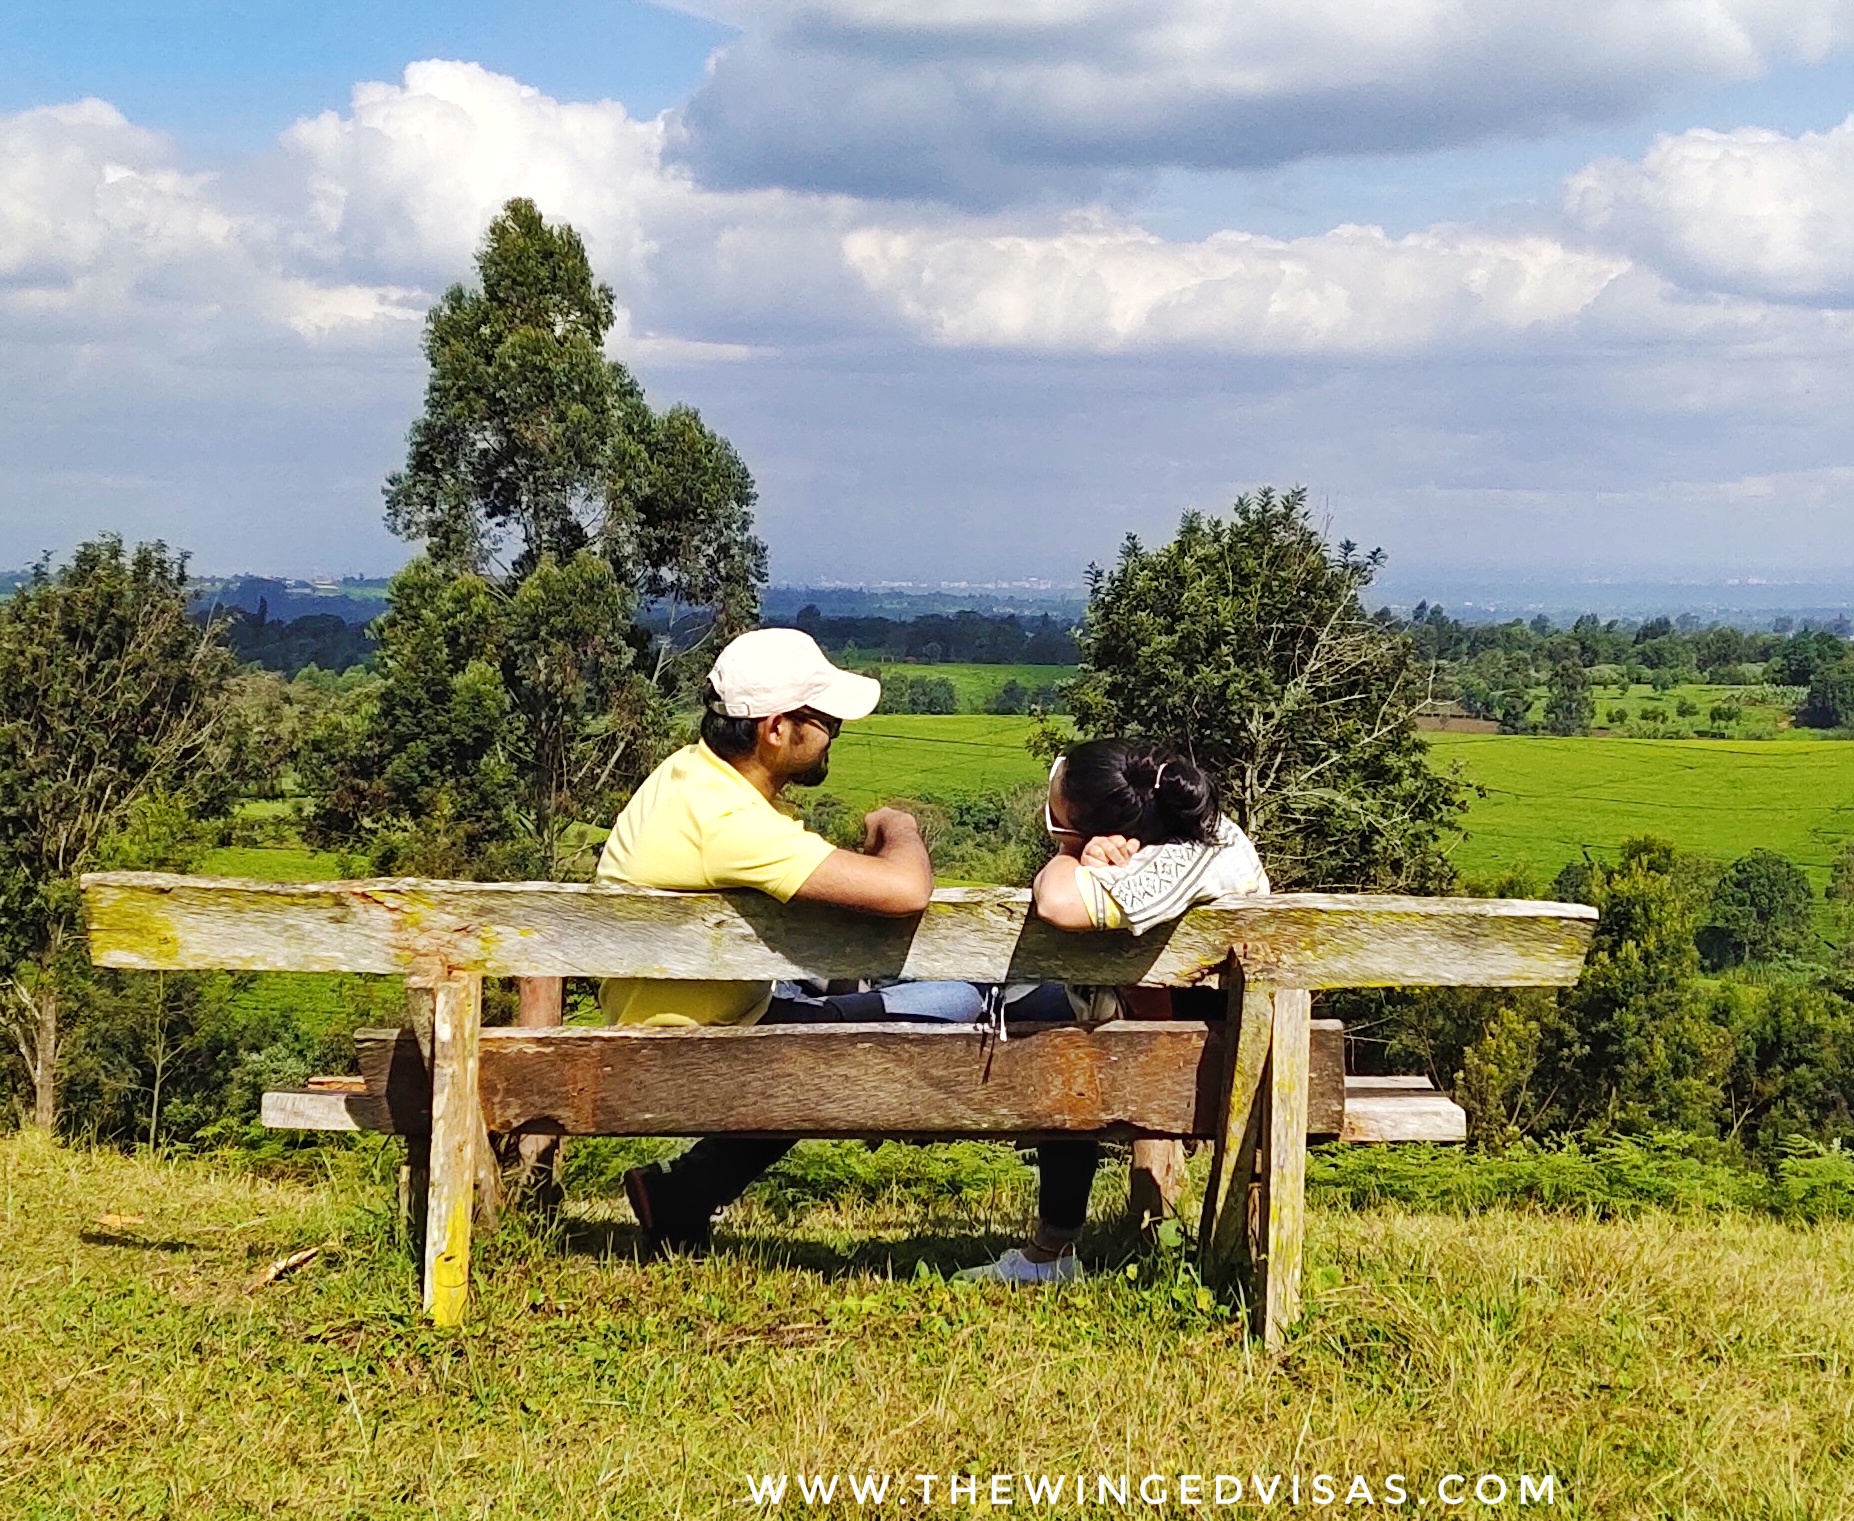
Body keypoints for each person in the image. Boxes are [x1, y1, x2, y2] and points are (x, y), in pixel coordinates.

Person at [609, 627, 984, 1255]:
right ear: (776, 728)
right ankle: (684, 1194)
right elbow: (907, 891)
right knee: (957, 1001)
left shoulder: (687, 777)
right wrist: (900, 824)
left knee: (865, 1000)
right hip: (695, 1045)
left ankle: (684, 1195)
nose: (835, 729)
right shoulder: (731, 824)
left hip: (666, 1015)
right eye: (825, 717)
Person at [955, 738, 1270, 1286]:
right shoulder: (1210, 837)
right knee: (1063, 1023)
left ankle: (1051, 1252)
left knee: (1059, 1038)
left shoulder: (1167, 867)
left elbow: (1054, 901)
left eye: (1057, 822)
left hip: (1195, 1067)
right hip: (1225, 1044)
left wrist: (1070, 855)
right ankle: (1058, 1247)